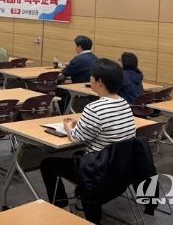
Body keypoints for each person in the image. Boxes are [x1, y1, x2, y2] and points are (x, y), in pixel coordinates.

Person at [40, 58, 136, 207]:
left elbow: (76, 138)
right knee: (78, 154)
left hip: (97, 171)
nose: (89, 79)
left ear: (100, 82)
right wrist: (82, 123)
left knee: (48, 164)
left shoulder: (94, 108)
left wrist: (68, 126)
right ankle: (81, 198)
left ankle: (61, 207)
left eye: (91, 76)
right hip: (122, 169)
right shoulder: (124, 103)